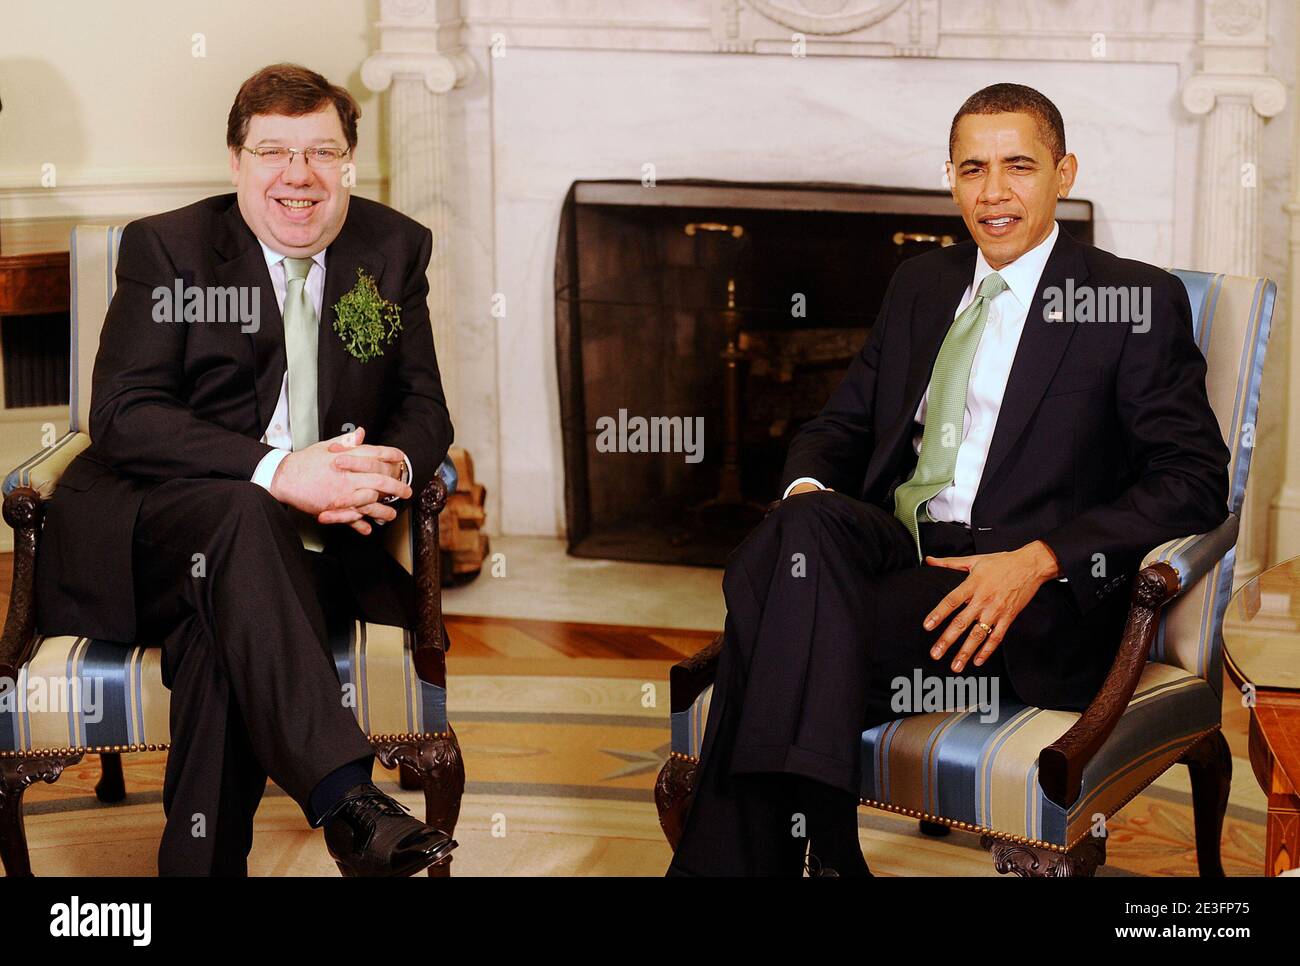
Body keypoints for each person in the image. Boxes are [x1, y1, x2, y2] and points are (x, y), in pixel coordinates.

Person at [666, 83, 1230, 876]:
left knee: (773, 639)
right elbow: (840, 428)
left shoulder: (1130, 299)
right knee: (795, 529)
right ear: (950, 177)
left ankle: (818, 858)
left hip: (1011, 591)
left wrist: (1038, 559)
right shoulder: (921, 285)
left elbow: (1195, 479)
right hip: (892, 551)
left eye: (1019, 166)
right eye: (973, 168)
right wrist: (804, 500)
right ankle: (825, 858)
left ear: (1064, 173)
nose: (993, 192)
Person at [35, 63, 457, 876]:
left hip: (313, 557)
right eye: (273, 151)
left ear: (348, 164)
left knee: (223, 636)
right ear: (235, 164)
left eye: (321, 152)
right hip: (150, 540)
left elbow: (424, 406)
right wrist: (280, 471)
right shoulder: (170, 249)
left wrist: (383, 470)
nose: (298, 175)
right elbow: (123, 413)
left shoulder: (392, 247)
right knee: (241, 517)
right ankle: (347, 799)